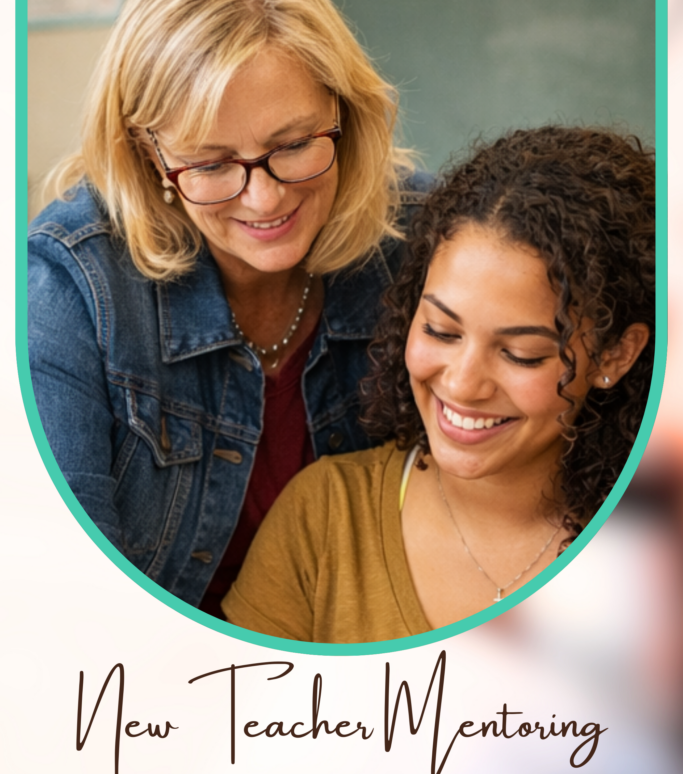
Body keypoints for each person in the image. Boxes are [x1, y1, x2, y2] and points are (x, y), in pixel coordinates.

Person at [28, 0, 428, 616]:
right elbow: (71, 597)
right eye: (212, 163)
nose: (264, 198)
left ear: (344, 114)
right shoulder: (68, 284)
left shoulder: (425, 237)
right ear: (149, 153)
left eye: (294, 144)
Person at [223, 126, 655, 643]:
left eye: (521, 354)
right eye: (441, 331)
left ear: (615, 354)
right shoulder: (325, 517)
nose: (463, 384)